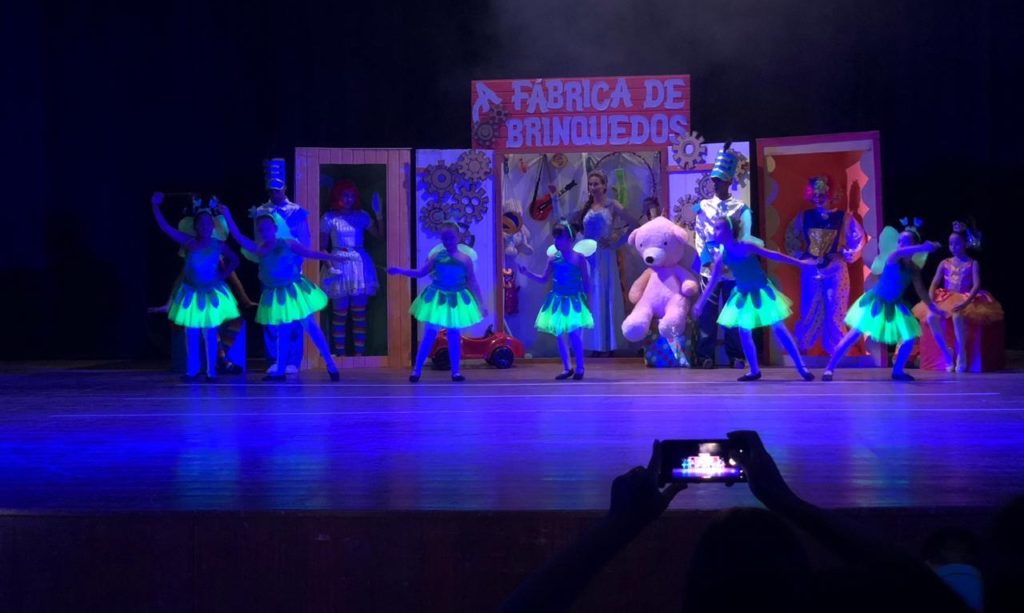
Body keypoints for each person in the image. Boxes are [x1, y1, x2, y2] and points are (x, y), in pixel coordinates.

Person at [220, 205, 342, 382]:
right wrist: (227, 215)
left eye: (267, 228)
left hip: (293, 291)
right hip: (276, 294)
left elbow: (309, 253)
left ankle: (330, 364)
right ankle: (280, 370)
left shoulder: (287, 243)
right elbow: (238, 237)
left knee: (310, 326)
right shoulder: (260, 250)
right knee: (282, 330)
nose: (264, 232)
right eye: (261, 229)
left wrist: (332, 257)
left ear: (275, 228)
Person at [692, 216, 816, 381]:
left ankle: (801, 367)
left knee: (779, 329)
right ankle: (754, 370)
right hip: (743, 295)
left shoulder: (746, 246)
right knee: (744, 332)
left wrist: (800, 263)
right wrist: (700, 303)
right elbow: (712, 282)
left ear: (729, 230)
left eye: (718, 228)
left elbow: (775, 256)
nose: (714, 232)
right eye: (714, 228)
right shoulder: (722, 257)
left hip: (761, 292)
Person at [824, 219, 941, 381]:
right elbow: (901, 253)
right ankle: (829, 368)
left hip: (895, 305)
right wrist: (924, 247)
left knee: (909, 337)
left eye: (905, 242)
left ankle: (898, 370)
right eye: (899, 241)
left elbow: (921, 290)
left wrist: (932, 307)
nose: (900, 245)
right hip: (877, 302)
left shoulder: (913, 269)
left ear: (913, 245)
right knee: (854, 334)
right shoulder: (893, 257)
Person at [151, 192, 240, 382]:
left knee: (210, 332)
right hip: (191, 292)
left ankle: (211, 372)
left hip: (210, 292)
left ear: (213, 226)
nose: (204, 226)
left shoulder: (218, 245)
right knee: (191, 332)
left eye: (208, 223)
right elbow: (165, 227)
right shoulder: (189, 242)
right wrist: (155, 206)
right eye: (201, 223)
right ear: (195, 226)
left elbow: (235, 259)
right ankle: (192, 370)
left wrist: (223, 275)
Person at [387, 222, 486, 382]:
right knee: (430, 333)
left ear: (458, 237)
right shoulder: (437, 257)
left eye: (451, 238)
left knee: (454, 334)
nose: (447, 241)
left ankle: (456, 372)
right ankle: (417, 370)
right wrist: (400, 271)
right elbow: (420, 273)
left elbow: (472, 282)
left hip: (455, 299)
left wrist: (481, 304)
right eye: (444, 238)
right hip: (437, 298)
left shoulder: (465, 259)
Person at [784, 175, 866, 355]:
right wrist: (800, 256)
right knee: (809, 307)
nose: (818, 198)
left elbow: (858, 239)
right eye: (815, 195)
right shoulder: (804, 217)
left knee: (835, 308)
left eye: (822, 195)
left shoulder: (844, 218)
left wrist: (848, 253)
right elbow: (791, 236)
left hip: (836, 268)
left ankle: (837, 349)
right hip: (811, 269)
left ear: (831, 195)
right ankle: (803, 346)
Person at [246, 160, 312, 374]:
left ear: (285, 187)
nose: (275, 192)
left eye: (278, 188)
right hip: (270, 272)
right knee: (271, 315)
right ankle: (274, 359)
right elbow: (258, 241)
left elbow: (304, 241)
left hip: (291, 272)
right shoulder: (261, 211)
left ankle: (292, 360)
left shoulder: (297, 212)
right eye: (272, 189)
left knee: (293, 317)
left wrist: (295, 267)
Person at [691, 144, 754, 369]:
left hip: (733, 268)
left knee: (732, 312)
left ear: (729, 181)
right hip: (710, 267)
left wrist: (734, 261)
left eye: (721, 180)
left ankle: (736, 355)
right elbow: (699, 235)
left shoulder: (740, 207)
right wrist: (707, 261)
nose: (716, 184)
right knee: (707, 313)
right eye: (714, 180)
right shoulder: (703, 206)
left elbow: (744, 235)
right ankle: (704, 355)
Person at [914, 221, 1003, 372]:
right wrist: (930, 302)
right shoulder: (944, 263)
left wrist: (966, 302)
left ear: (965, 244)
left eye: (957, 244)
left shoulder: (972, 263)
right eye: (951, 244)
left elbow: (976, 285)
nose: (953, 247)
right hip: (946, 297)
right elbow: (934, 283)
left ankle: (962, 353)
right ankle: (946, 352)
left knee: (957, 315)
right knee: (931, 317)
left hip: (965, 297)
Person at [568, 170, 639, 356]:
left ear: (605, 185)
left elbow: (634, 224)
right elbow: (569, 224)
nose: (593, 187)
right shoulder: (585, 207)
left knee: (605, 294)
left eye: (596, 184)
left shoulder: (612, 205)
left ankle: (607, 344)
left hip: (605, 256)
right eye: (591, 184)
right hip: (588, 256)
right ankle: (593, 344)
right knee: (590, 296)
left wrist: (617, 242)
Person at [519, 221, 593, 380]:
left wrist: (588, 301)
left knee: (575, 335)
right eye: (555, 238)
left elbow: (586, 282)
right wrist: (527, 273)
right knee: (560, 335)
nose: (556, 241)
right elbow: (543, 279)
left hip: (574, 301)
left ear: (570, 239)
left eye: (560, 238)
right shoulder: (553, 259)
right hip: (557, 301)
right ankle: (567, 368)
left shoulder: (579, 258)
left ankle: (580, 367)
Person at [320, 180, 383, 356]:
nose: (348, 199)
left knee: (359, 313)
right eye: (344, 195)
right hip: (338, 262)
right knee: (339, 313)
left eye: (351, 195)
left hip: (359, 264)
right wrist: (329, 266)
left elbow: (380, 236)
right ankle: (340, 355)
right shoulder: (329, 217)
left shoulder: (362, 216)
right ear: (337, 197)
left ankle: (359, 355)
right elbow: (322, 246)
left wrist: (379, 214)